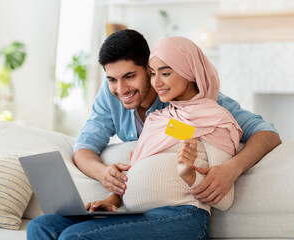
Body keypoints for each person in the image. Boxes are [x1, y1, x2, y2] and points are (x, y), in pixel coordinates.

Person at [27, 36, 243, 239]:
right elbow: (145, 161)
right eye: (153, 73)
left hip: (185, 216)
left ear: (189, 72)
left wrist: (188, 174)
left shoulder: (215, 119)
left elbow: (224, 200)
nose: (157, 82)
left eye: (165, 73)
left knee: (73, 237)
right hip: (139, 216)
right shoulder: (162, 120)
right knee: (42, 225)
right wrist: (112, 200)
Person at [73, 29, 281, 204]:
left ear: (149, 68)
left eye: (130, 76)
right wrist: (103, 174)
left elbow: (267, 133)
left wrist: (231, 169)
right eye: (112, 79)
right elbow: (83, 147)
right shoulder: (110, 96)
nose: (121, 89)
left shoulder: (201, 101)